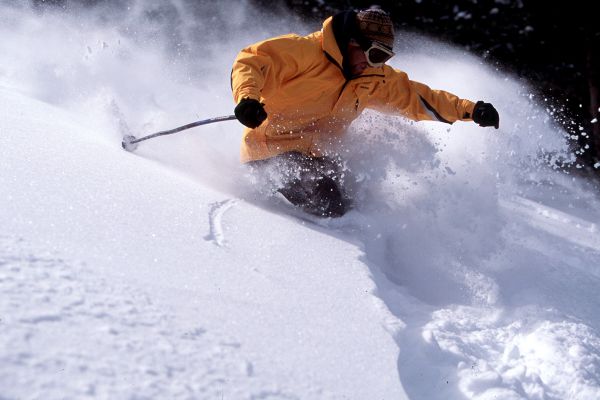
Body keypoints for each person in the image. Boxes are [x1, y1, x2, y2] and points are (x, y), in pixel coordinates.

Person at [231, 8, 499, 218]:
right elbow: (252, 61)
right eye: (373, 54)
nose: (373, 64)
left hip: (316, 156)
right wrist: (247, 100)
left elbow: (418, 97)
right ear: (352, 42)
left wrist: (471, 110)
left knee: (357, 201)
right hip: (271, 152)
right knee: (331, 204)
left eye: (383, 58)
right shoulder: (306, 52)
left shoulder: (371, 77)